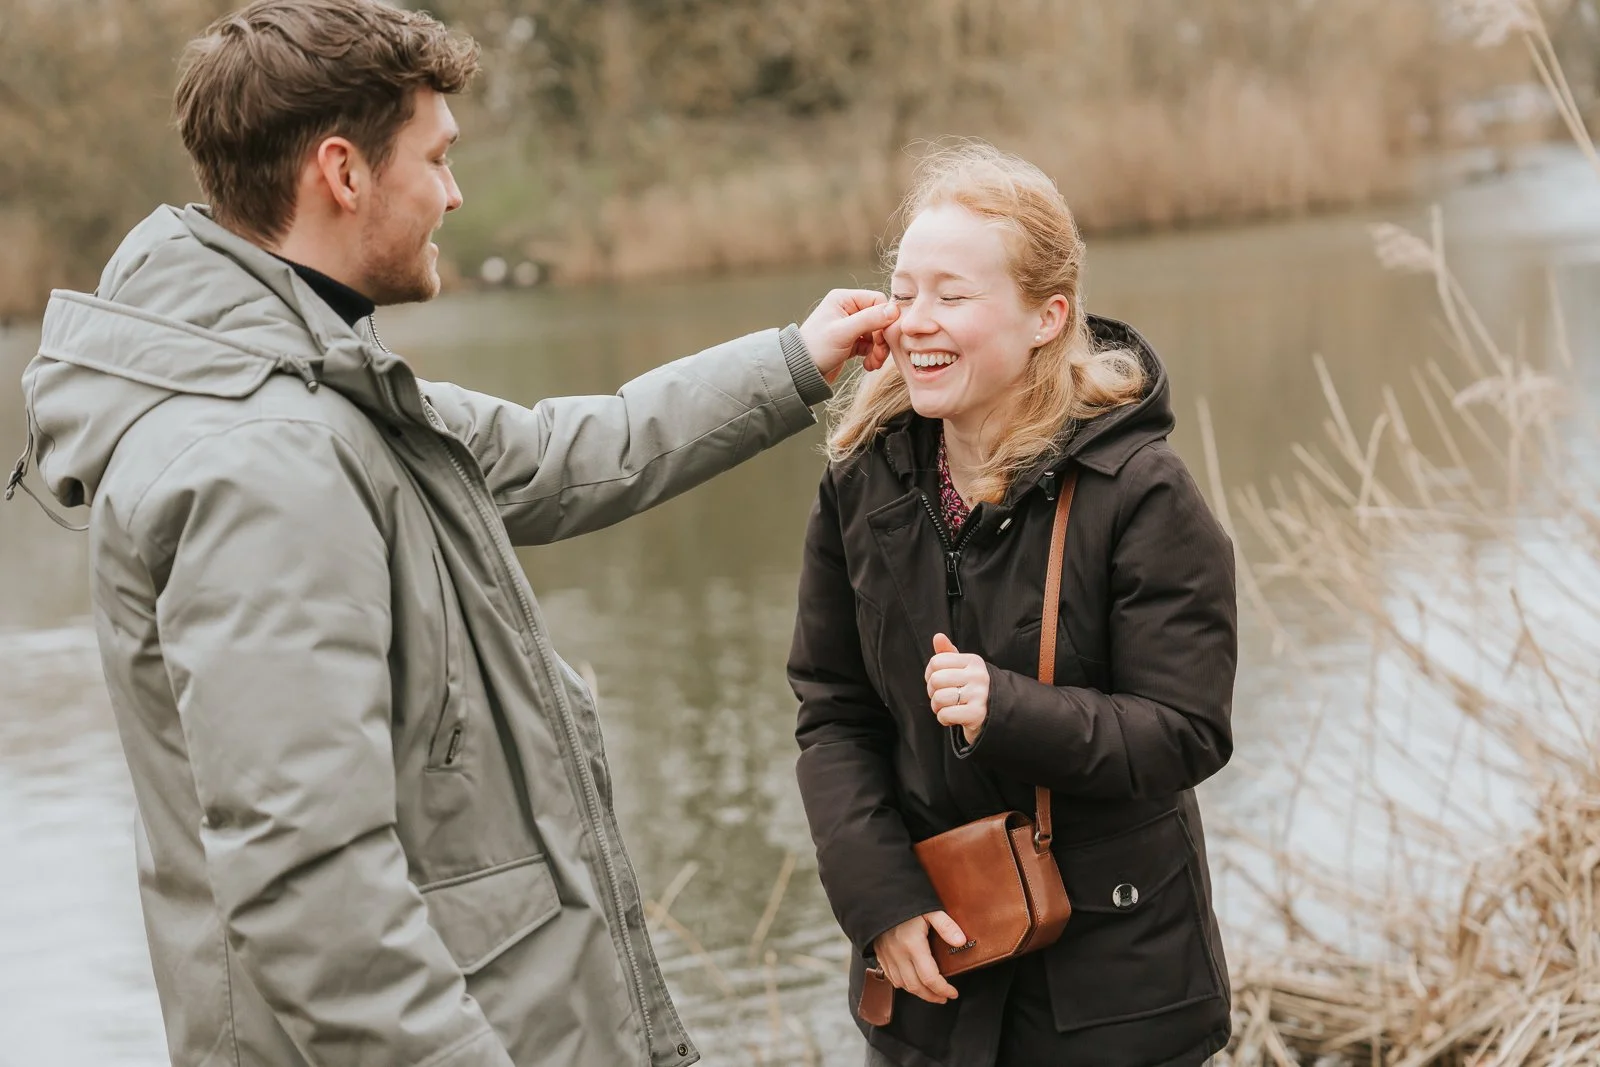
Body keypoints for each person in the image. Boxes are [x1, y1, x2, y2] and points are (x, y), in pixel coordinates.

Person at [6, 2, 901, 1065]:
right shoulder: (265, 460)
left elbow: (566, 451)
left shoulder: (316, 389)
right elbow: (311, 888)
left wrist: (795, 359)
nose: (454, 192)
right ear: (343, 173)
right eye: (436, 158)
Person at [789, 142, 1238, 1067]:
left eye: (952, 295)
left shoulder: (1141, 491)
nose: (916, 321)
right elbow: (833, 714)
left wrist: (1009, 710)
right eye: (904, 291)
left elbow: (1188, 730)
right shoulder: (859, 483)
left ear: (1047, 317)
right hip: (932, 981)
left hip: (1114, 1001)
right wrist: (880, 901)